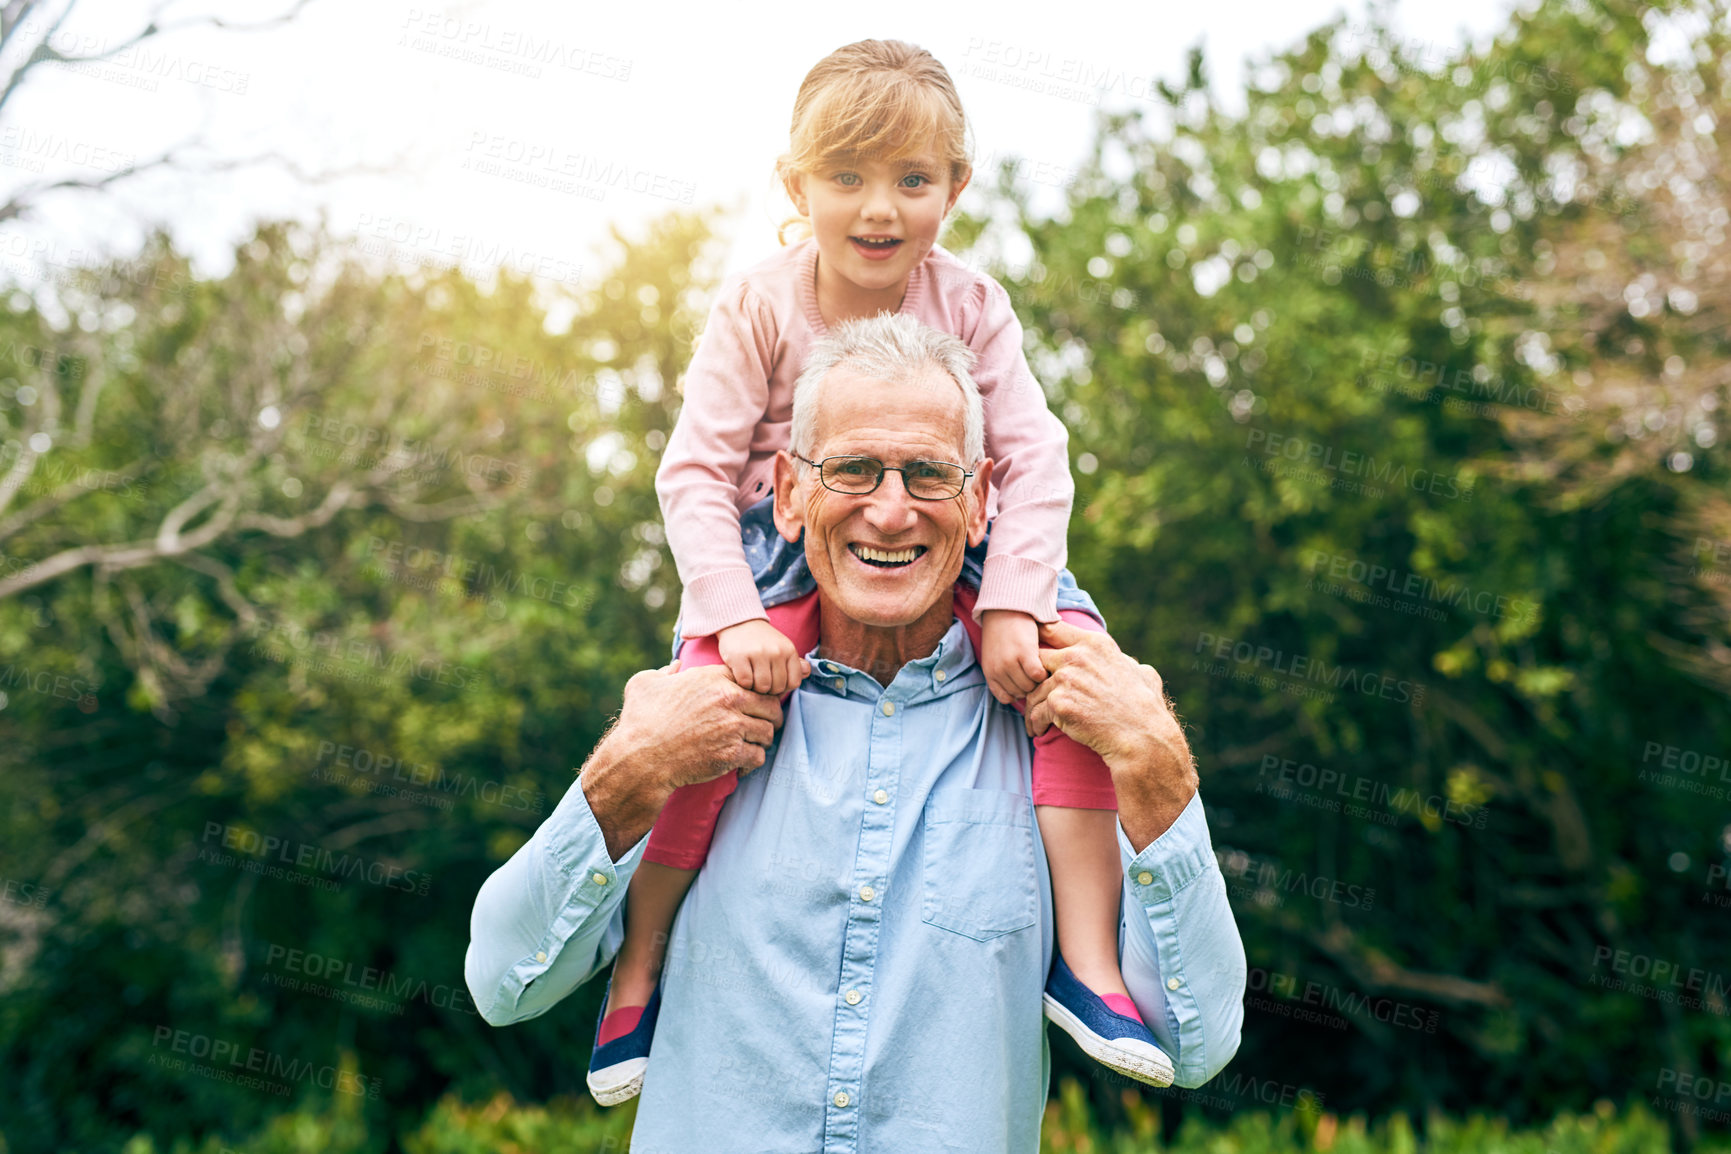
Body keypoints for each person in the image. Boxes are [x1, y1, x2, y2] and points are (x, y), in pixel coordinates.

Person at [465, 313, 1246, 1152]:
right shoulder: (694, 722)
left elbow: (1199, 1049)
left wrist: (1161, 768)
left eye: (927, 475)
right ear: (790, 494)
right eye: (853, 470)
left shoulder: (1057, 729)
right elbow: (505, 983)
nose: (889, 510)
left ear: (982, 501)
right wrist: (626, 770)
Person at [598, 37, 1145, 1103]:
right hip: (780, 542)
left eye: (911, 178)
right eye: (845, 177)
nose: (878, 207)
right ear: (796, 185)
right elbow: (694, 472)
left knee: (1078, 681)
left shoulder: (974, 305)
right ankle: (639, 965)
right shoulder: (760, 303)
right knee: (702, 719)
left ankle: (1087, 961)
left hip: (958, 528)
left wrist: (1019, 609)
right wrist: (737, 615)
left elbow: (1036, 459)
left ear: (955, 188)